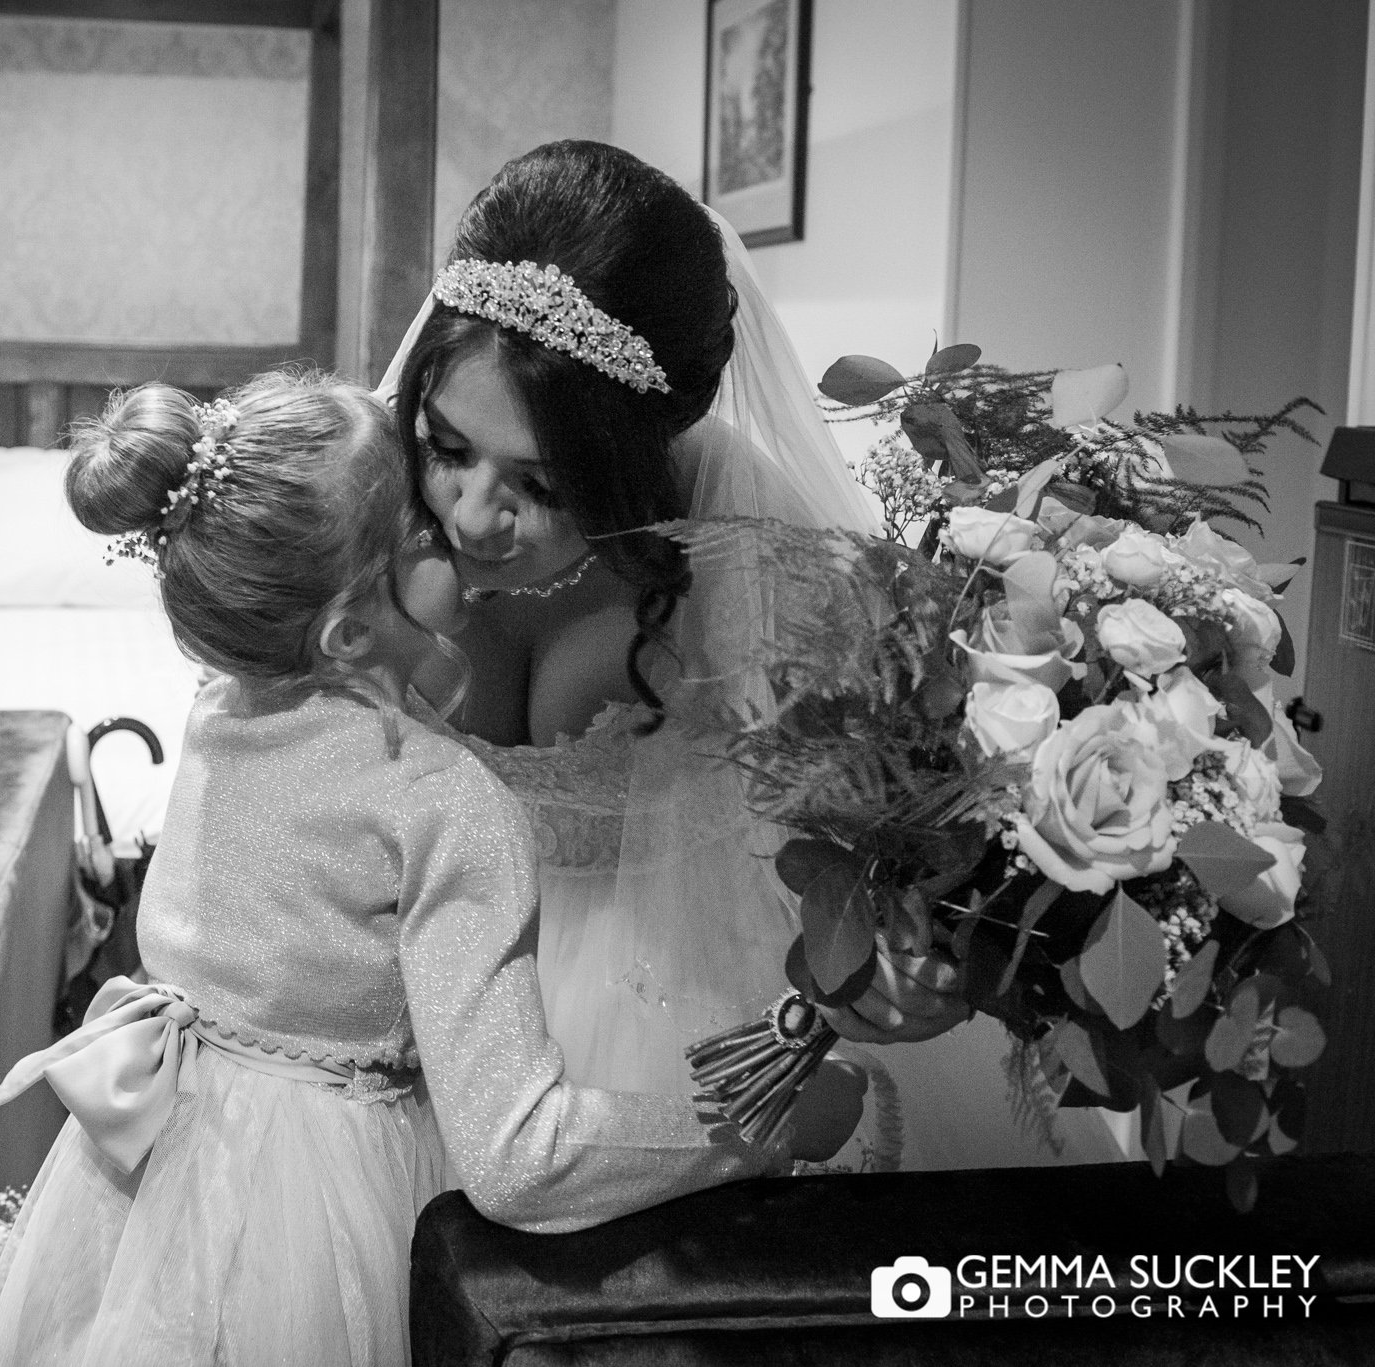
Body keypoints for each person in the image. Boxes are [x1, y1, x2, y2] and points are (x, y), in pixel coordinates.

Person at [0, 371, 864, 1367]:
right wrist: (763, 1121)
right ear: (348, 630)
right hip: (322, 1213)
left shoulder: (222, 705)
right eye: (424, 525)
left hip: (165, 1176)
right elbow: (519, 1155)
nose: (463, 522)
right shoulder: (441, 799)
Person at [384, 139, 1130, 1171]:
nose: (472, 515)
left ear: (636, 456)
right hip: (400, 1002)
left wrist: (896, 966)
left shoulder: (754, 565)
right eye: (445, 446)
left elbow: (884, 852)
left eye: (543, 486)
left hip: (662, 1013)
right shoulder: (350, 511)